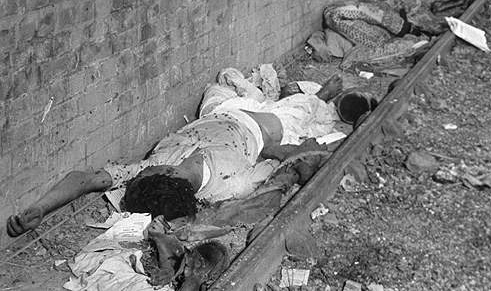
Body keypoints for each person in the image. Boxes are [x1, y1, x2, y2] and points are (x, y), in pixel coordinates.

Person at [6, 70, 347, 237]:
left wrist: (40, 207)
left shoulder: (153, 167)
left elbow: (86, 180)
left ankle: (285, 96)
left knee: (223, 80)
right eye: (140, 175)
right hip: (262, 126)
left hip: (216, 112)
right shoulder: (230, 183)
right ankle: (317, 98)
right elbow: (274, 155)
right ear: (167, 179)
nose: (135, 171)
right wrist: (296, 148)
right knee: (307, 111)